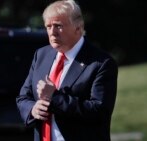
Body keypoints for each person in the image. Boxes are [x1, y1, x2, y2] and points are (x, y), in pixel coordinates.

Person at [16, 0, 118, 141]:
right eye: (48, 26)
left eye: (58, 26)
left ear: (78, 27)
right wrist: (33, 109)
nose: (52, 32)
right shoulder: (41, 55)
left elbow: (98, 111)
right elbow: (23, 98)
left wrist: (55, 98)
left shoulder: (101, 63)